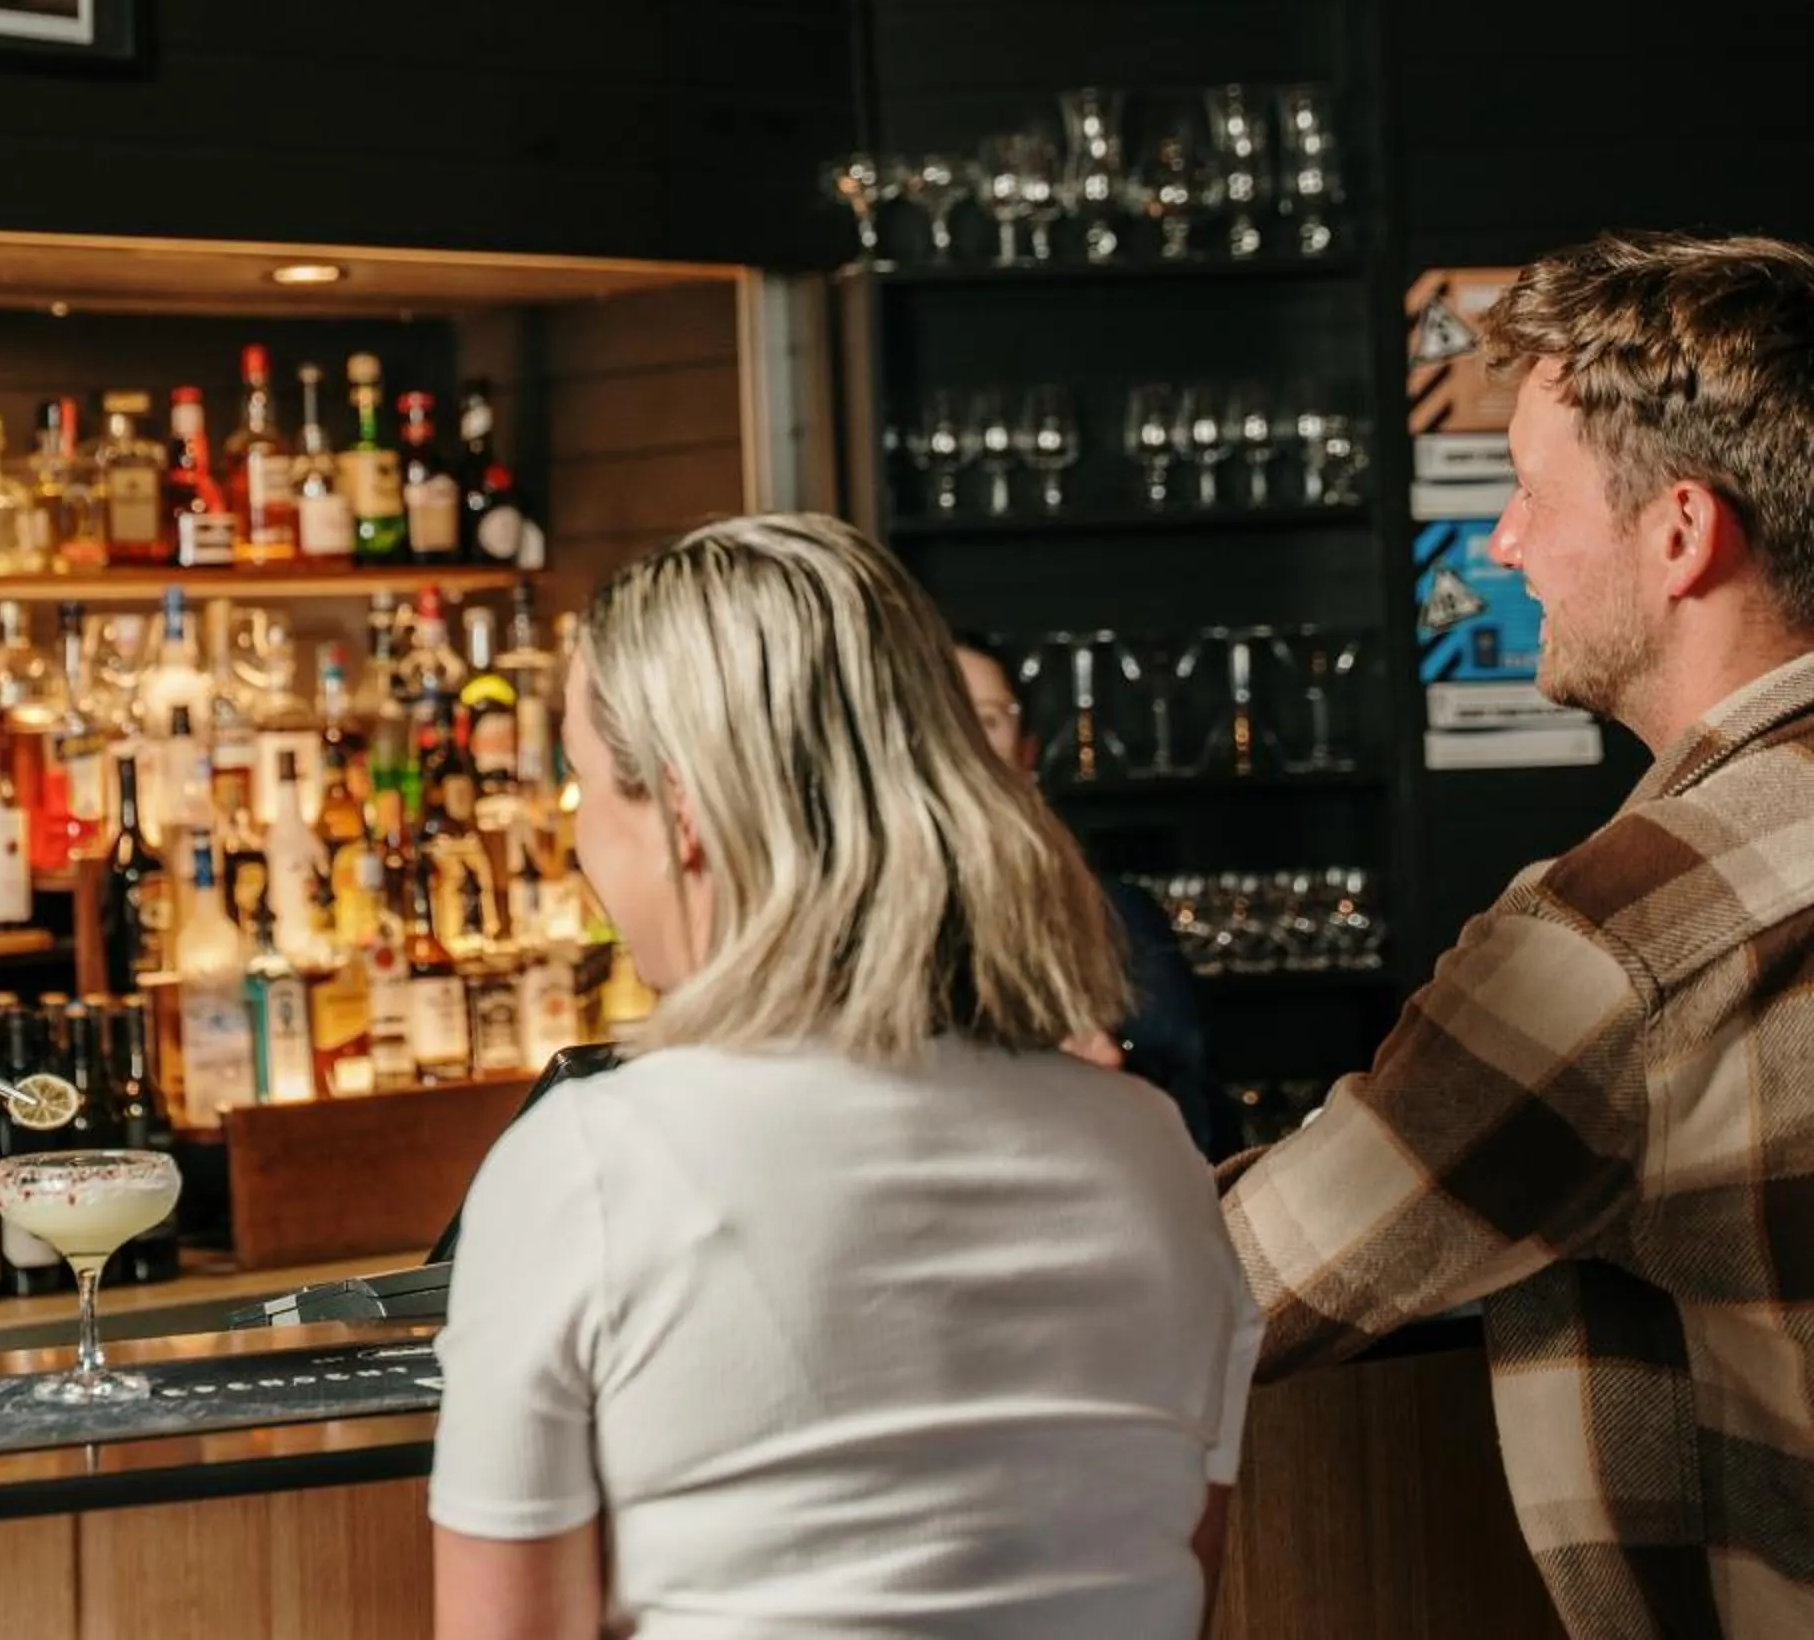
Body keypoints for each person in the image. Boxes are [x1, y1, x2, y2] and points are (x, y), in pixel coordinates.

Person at [431, 513, 1261, 1640]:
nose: (583, 849)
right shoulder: (1152, 1155)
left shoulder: (587, 1166)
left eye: (586, 793)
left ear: (681, 812)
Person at [1220, 231, 1814, 1638]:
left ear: (1680, 531)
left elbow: (1245, 1282)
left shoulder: (1625, 935)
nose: (1501, 543)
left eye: (1528, 492)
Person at [953, 632, 1217, 1150]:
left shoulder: (1110, 914)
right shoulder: (846, 924)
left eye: (986, 720)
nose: (964, 746)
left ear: (1027, 753)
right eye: (943, 719)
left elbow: (1203, 1126)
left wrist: (1117, 1071)